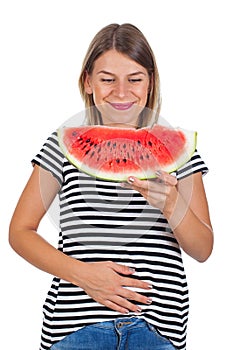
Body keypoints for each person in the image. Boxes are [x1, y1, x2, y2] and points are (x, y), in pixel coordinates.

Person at [9, 23, 213, 350]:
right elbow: (20, 231)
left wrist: (172, 204)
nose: (121, 92)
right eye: (107, 79)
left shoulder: (180, 150)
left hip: (158, 331)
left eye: (134, 79)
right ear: (88, 81)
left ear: (150, 82)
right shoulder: (61, 145)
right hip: (74, 328)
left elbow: (203, 249)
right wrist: (84, 276)